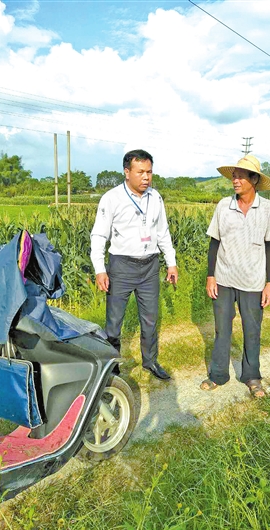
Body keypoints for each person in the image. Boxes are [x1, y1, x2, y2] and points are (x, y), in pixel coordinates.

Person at [90, 149, 178, 380]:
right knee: (114, 322)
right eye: (141, 172)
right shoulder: (111, 198)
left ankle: (150, 361)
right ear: (127, 172)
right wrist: (100, 269)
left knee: (150, 319)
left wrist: (171, 263)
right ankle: (112, 367)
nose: (146, 177)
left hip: (150, 266)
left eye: (149, 172)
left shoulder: (156, 198)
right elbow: (99, 235)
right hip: (121, 267)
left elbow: (163, 232)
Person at [200, 155, 270, 397]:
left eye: (240, 175)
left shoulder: (268, 209)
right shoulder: (223, 206)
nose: (235, 180)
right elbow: (214, 243)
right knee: (221, 329)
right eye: (233, 175)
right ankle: (218, 375)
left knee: (252, 330)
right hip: (224, 278)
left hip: (253, 281)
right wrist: (210, 276)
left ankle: (251, 376)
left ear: (254, 179)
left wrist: (269, 283)